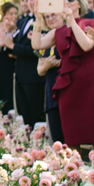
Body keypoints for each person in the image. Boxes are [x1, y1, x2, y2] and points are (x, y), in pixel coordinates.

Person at [34, 0, 94, 156]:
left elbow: (86, 45)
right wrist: (38, 19)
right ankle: (77, 177)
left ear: (79, 3)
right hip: (69, 86)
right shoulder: (58, 30)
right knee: (72, 137)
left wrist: (71, 21)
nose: (66, 1)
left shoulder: (92, 23)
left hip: (91, 84)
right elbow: (37, 44)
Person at [12, 0, 46, 127]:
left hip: (36, 77)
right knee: (25, 119)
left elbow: (35, 50)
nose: (32, 2)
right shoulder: (23, 21)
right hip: (20, 75)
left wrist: (12, 47)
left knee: (36, 118)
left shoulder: (45, 22)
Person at [38, 16, 64, 145]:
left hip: (65, 90)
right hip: (51, 92)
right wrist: (47, 65)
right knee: (56, 137)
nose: (50, 19)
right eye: (46, 16)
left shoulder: (67, 35)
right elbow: (39, 70)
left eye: (54, 15)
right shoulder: (45, 41)